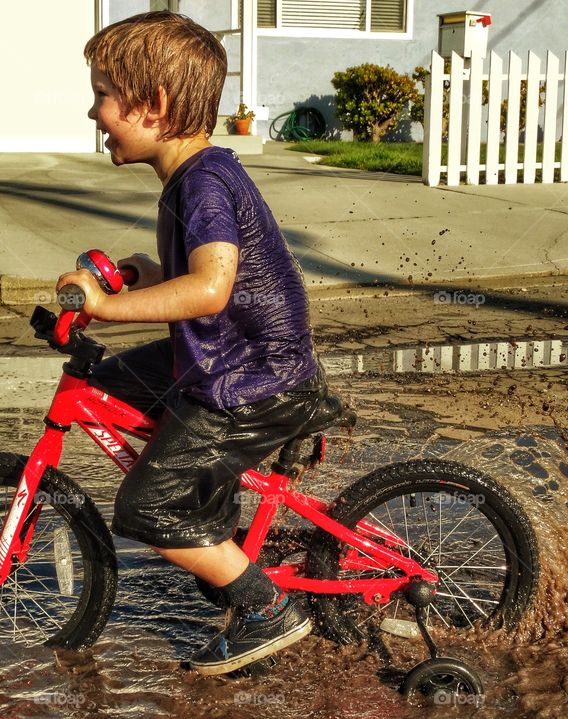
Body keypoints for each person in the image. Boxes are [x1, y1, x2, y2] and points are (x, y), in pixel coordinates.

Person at [56, 10, 338, 676]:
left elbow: (211, 288)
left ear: (152, 107)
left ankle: (265, 605)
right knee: (112, 380)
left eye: (103, 94)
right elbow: (204, 284)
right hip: (232, 360)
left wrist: (108, 304)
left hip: (250, 380)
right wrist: (143, 279)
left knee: (145, 505)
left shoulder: (204, 183)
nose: (93, 111)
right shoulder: (195, 176)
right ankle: (214, 514)